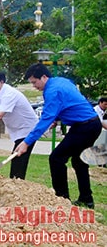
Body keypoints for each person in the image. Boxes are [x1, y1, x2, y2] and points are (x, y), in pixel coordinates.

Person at [15, 63, 102, 209]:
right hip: (91, 124)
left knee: (56, 158)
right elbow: (70, 102)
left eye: (34, 82)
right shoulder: (61, 81)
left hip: (85, 127)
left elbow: (45, 118)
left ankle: (62, 199)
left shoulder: (52, 91)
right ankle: (87, 199)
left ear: (43, 77)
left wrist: (26, 142)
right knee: (79, 161)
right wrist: (57, 118)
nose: (34, 86)